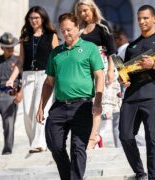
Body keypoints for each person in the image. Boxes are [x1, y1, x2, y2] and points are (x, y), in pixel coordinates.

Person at [36, 13, 104, 180]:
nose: (66, 33)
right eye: (63, 30)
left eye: (69, 30)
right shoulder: (56, 53)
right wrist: (40, 107)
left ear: (78, 28)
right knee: (54, 145)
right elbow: (48, 83)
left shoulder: (89, 48)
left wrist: (98, 102)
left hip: (82, 106)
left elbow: (99, 76)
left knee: (78, 148)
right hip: (59, 106)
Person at [118, 5, 155, 180]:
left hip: (153, 96)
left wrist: (154, 65)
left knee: (153, 139)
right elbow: (126, 72)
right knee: (125, 135)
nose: (142, 21)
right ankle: (140, 174)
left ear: (154, 19)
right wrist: (123, 79)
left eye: (146, 18)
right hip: (131, 97)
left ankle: (153, 177)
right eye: (139, 18)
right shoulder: (131, 46)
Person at [6, 6, 59, 153]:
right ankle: (34, 142)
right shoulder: (25, 37)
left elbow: (57, 57)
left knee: (39, 108)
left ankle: (40, 143)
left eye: (36, 17)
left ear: (42, 19)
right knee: (28, 113)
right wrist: (12, 79)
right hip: (28, 76)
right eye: (31, 18)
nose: (33, 20)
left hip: (45, 76)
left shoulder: (51, 36)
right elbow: (20, 61)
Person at [75, 0, 117, 149]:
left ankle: (96, 136)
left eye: (85, 10)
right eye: (80, 12)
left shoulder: (103, 26)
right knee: (89, 103)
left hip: (103, 67)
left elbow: (112, 51)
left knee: (103, 103)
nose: (83, 14)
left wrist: (111, 70)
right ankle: (93, 135)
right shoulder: (79, 29)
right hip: (85, 70)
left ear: (93, 9)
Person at [112, 30, 145, 148]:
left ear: (118, 40)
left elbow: (122, 74)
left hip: (125, 92)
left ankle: (119, 148)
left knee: (119, 123)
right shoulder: (129, 49)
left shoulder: (122, 52)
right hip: (129, 91)